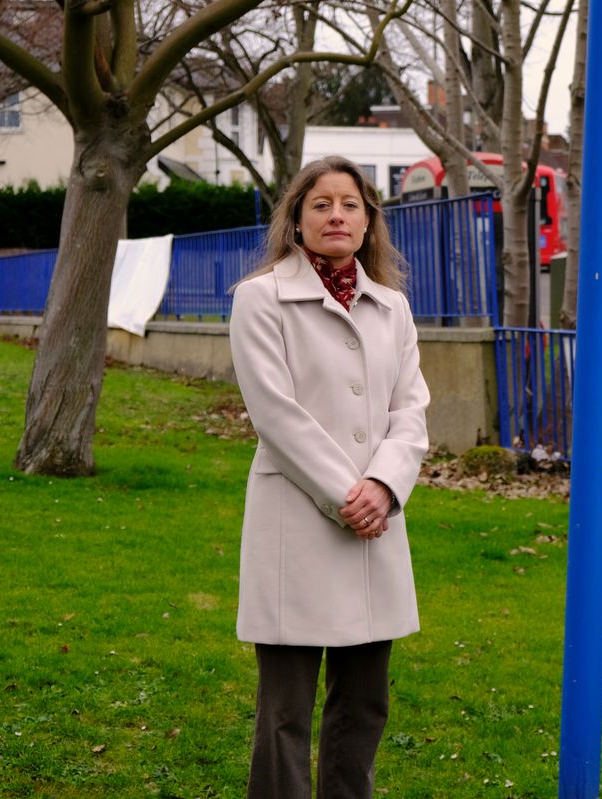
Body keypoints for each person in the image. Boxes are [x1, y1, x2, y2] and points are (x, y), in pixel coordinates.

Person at [229, 156, 429, 799]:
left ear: (369, 221)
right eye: (320, 204)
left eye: (350, 204)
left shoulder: (392, 307)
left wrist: (386, 487)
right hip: (298, 526)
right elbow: (275, 414)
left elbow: (411, 409)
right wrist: (349, 494)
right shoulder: (260, 300)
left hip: (375, 525)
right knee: (284, 712)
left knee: (364, 704)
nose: (336, 215)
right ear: (296, 221)